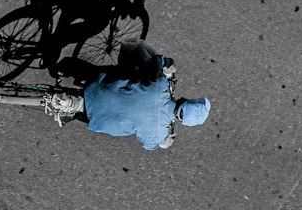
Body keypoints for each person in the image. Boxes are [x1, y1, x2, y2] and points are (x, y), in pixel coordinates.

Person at [52, 40, 210, 150]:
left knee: (119, 72)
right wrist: (165, 141)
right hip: (95, 119)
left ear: (186, 100)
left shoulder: (161, 86)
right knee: (109, 118)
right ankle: (72, 113)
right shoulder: (157, 135)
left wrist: (169, 65)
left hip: (97, 84)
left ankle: (61, 66)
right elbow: (151, 146)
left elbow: (158, 61)